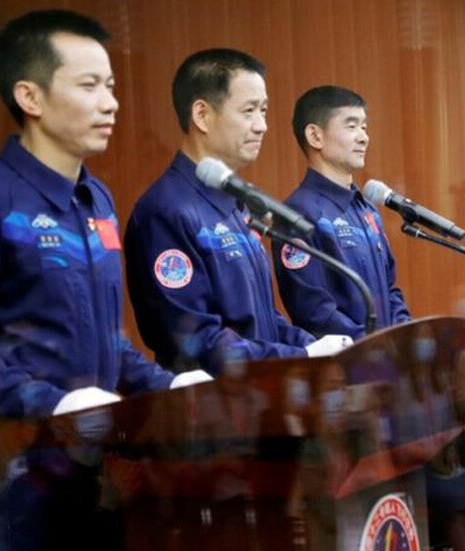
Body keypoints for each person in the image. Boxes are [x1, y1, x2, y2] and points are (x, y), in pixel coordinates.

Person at [0, 10, 208, 549]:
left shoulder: (97, 201)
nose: (110, 102)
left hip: (94, 472)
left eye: (111, 86)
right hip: (17, 476)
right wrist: (45, 402)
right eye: (89, 85)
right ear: (30, 97)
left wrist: (166, 385)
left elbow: (104, 338)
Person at [124, 50, 351, 376]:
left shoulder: (236, 201)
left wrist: (316, 347)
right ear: (202, 115)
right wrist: (300, 355)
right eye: (249, 111)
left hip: (261, 393)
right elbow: (196, 341)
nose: (262, 126)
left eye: (264, 110)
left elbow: (263, 320)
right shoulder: (166, 210)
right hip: (211, 402)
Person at [273, 85, 411, 339]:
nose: (364, 137)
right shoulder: (296, 213)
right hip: (347, 359)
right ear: (315, 136)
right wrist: (373, 346)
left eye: (364, 127)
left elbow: (391, 289)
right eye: (351, 126)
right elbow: (314, 311)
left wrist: (404, 336)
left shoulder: (367, 209)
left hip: (385, 356)